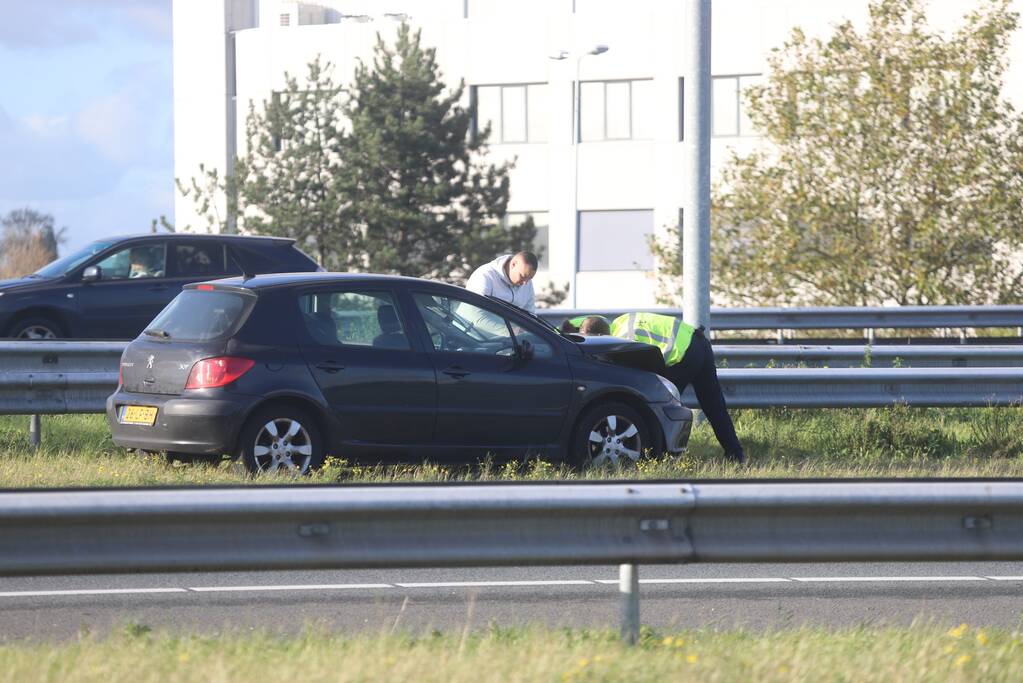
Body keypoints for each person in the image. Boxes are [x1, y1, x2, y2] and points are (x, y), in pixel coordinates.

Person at [578, 313, 745, 464]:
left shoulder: (620, 341)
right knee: (714, 406)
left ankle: (660, 457)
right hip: (699, 342)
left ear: (599, 336)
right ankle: (736, 455)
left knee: (660, 407)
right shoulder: (621, 321)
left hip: (683, 354)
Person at [466, 251, 538, 313]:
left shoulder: (527, 282)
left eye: (529, 278)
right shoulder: (485, 275)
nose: (525, 283)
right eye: (522, 276)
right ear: (513, 264)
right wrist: (503, 326)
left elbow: (530, 314)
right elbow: (476, 313)